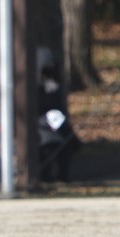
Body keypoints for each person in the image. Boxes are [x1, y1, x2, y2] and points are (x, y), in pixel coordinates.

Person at [37, 48, 80, 183]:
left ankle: (63, 175)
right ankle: (45, 175)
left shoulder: (55, 86)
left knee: (67, 141)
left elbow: (60, 108)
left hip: (56, 124)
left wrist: (60, 122)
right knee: (48, 144)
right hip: (40, 126)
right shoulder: (34, 88)